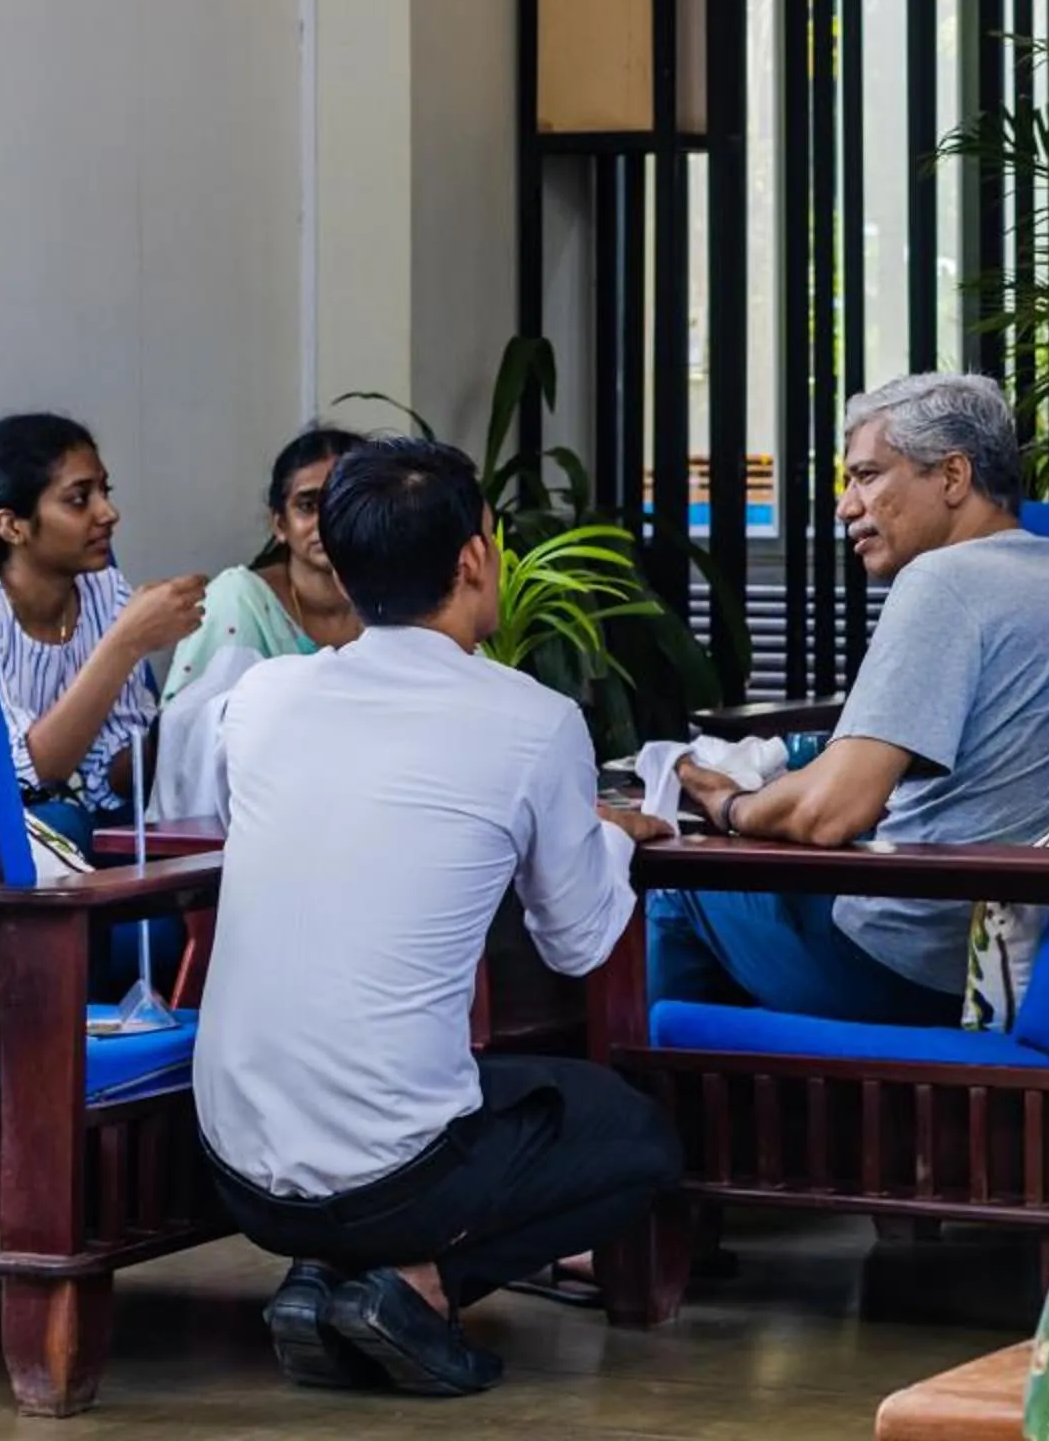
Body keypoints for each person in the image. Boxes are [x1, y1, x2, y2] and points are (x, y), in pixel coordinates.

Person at [192, 438, 681, 1396]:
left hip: (237, 1171)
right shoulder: (531, 718)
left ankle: (321, 1280)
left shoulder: (261, 697)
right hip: (398, 1181)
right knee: (635, 1137)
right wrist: (612, 834)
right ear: (472, 558)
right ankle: (412, 1284)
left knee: (467, 1085)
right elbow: (579, 941)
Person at [649, 374, 1049, 1025]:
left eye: (868, 476)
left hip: (908, 962)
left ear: (953, 477)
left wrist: (730, 806)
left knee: (672, 879)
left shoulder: (942, 581)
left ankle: (663, 1107)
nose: (848, 506)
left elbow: (832, 813)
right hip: (1038, 944)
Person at [0, 414, 206, 846]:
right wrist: (125, 643)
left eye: (105, 491)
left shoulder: (102, 588)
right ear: (12, 526)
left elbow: (111, 779)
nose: (109, 513)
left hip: (49, 817)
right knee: (63, 824)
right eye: (79, 499)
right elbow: (27, 776)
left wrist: (184, 727)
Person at [153, 426, 370, 820]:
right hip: (252, 818)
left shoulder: (398, 598)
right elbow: (187, 740)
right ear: (279, 524)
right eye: (308, 505)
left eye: (345, 502)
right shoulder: (240, 598)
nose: (327, 520)